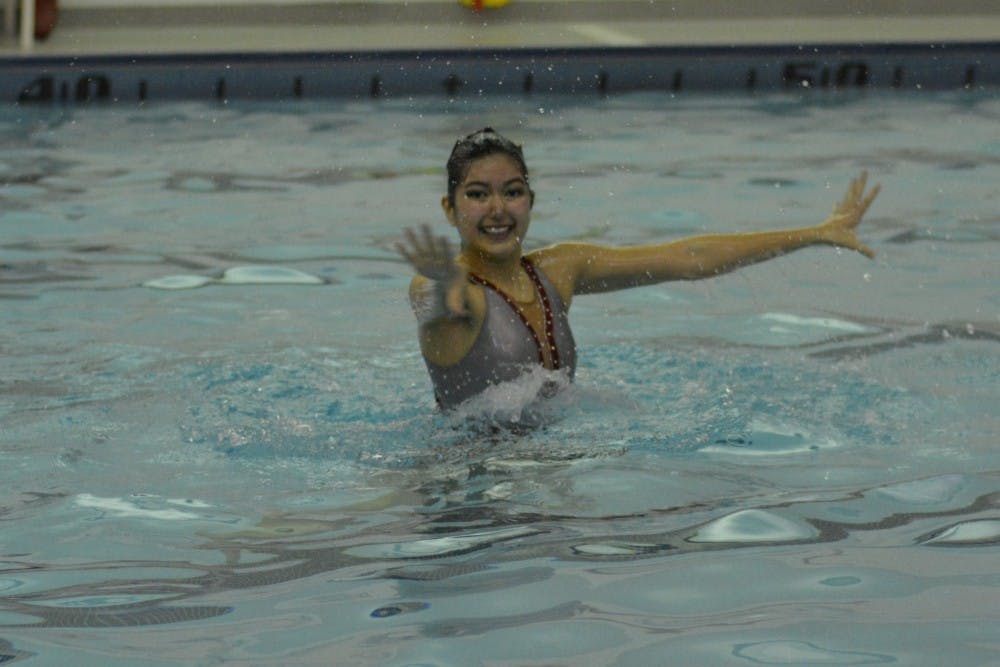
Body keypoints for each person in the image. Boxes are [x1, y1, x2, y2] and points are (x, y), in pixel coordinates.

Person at [397, 128, 880, 410]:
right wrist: (444, 292)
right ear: (450, 208)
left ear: (531, 200)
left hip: (550, 467)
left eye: (513, 191)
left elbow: (685, 260)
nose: (498, 209)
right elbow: (434, 301)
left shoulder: (558, 271)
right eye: (477, 195)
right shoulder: (455, 291)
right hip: (465, 488)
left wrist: (814, 233)